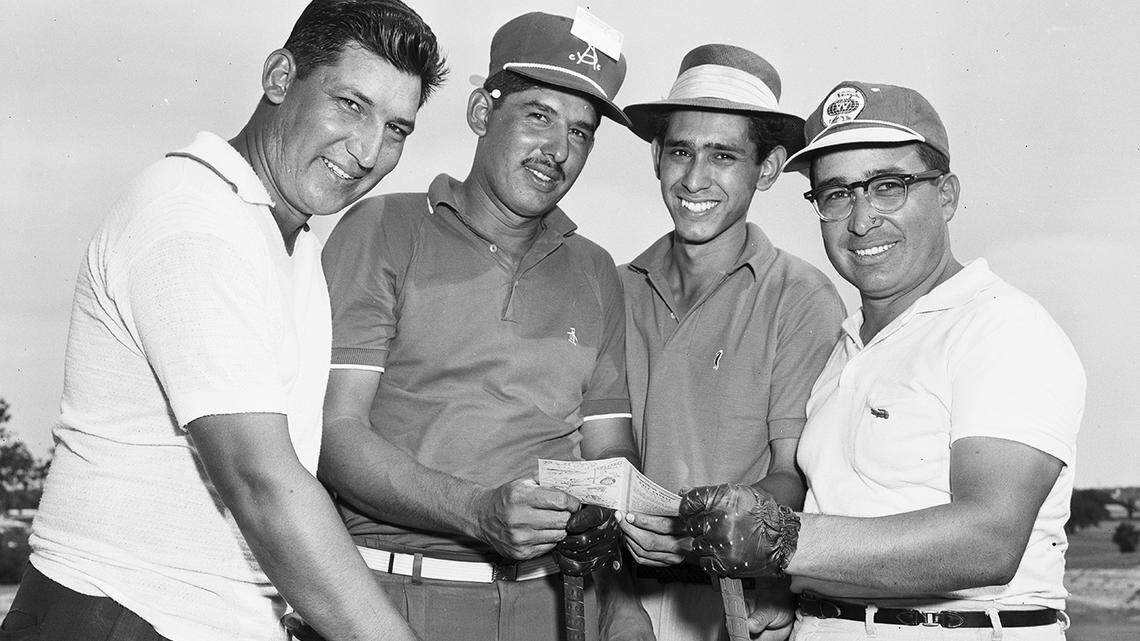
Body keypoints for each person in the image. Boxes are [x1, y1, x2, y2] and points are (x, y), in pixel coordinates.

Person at [8, 2, 446, 640]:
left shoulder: (286, 235)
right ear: (279, 77)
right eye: (351, 105)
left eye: (396, 128)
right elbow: (259, 480)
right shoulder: (195, 215)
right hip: (118, 613)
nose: (367, 151)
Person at [680, 81, 1085, 640]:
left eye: (888, 187)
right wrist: (791, 594)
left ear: (947, 196)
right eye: (836, 194)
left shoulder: (1000, 326)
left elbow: (989, 540)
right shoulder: (847, 347)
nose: (861, 219)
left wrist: (785, 540)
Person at [318, 11, 652, 641]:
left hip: (556, 605)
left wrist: (621, 600)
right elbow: (334, 434)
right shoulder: (383, 228)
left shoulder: (595, 270)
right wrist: (477, 511)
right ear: (481, 112)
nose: (558, 150)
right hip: (396, 597)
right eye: (538, 116)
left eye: (580, 133)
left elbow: (608, 456)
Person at [616, 45, 845, 641]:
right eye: (680, 151)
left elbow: (794, 475)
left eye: (723, 156)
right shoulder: (613, 288)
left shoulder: (801, 296)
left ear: (767, 169)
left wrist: (694, 529)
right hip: (614, 597)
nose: (695, 179)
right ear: (656, 156)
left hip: (735, 603)